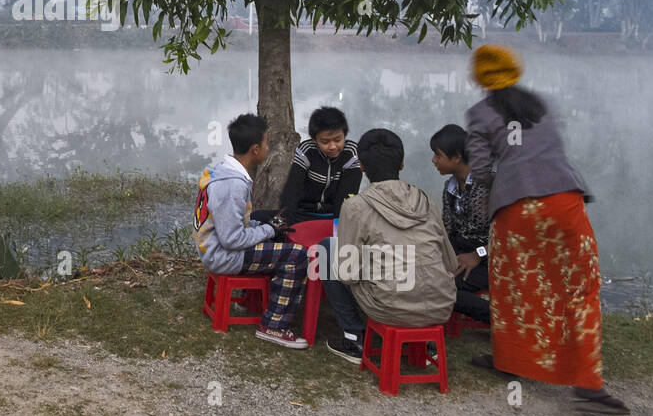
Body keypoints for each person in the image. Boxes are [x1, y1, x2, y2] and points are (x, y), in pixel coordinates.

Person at [465, 45, 627, 414]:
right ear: (515, 71)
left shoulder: (480, 114)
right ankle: (590, 384)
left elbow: (479, 171)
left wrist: (503, 183)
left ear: (480, 78)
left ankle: (511, 361)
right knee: (580, 289)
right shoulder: (540, 104)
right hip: (564, 202)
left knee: (514, 287)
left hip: (516, 210)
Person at [317, 128, 458, 363]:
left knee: (326, 248)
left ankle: (354, 338)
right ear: (402, 163)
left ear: (361, 166)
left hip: (389, 308)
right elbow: (450, 263)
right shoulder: (426, 200)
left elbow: (347, 274)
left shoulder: (356, 206)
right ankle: (427, 344)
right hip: (440, 306)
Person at [195, 113, 310, 348]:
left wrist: (264, 227)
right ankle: (273, 326)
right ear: (255, 149)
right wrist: (267, 230)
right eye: (267, 143)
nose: (268, 147)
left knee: (275, 236)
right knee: (296, 255)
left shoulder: (224, 170)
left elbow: (236, 224)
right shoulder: (233, 184)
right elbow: (232, 239)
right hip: (222, 255)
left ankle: (253, 304)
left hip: (216, 247)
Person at [251, 106, 362, 233]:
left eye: (338, 140)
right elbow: (291, 192)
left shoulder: (352, 153)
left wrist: (337, 230)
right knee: (257, 217)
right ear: (315, 140)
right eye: (325, 141)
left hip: (333, 217)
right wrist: (284, 221)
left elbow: (345, 199)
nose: (332, 146)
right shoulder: (307, 150)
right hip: (302, 215)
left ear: (344, 135)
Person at [430, 123, 492, 324]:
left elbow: (510, 236)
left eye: (438, 155)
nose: (434, 160)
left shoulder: (491, 185)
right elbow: (447, 231)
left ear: (456, 157)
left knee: (440, 289)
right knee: (424, 278)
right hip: (460, 252)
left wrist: (478, 254)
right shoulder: (450, 187)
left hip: (491, 259)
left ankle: (502, 319)